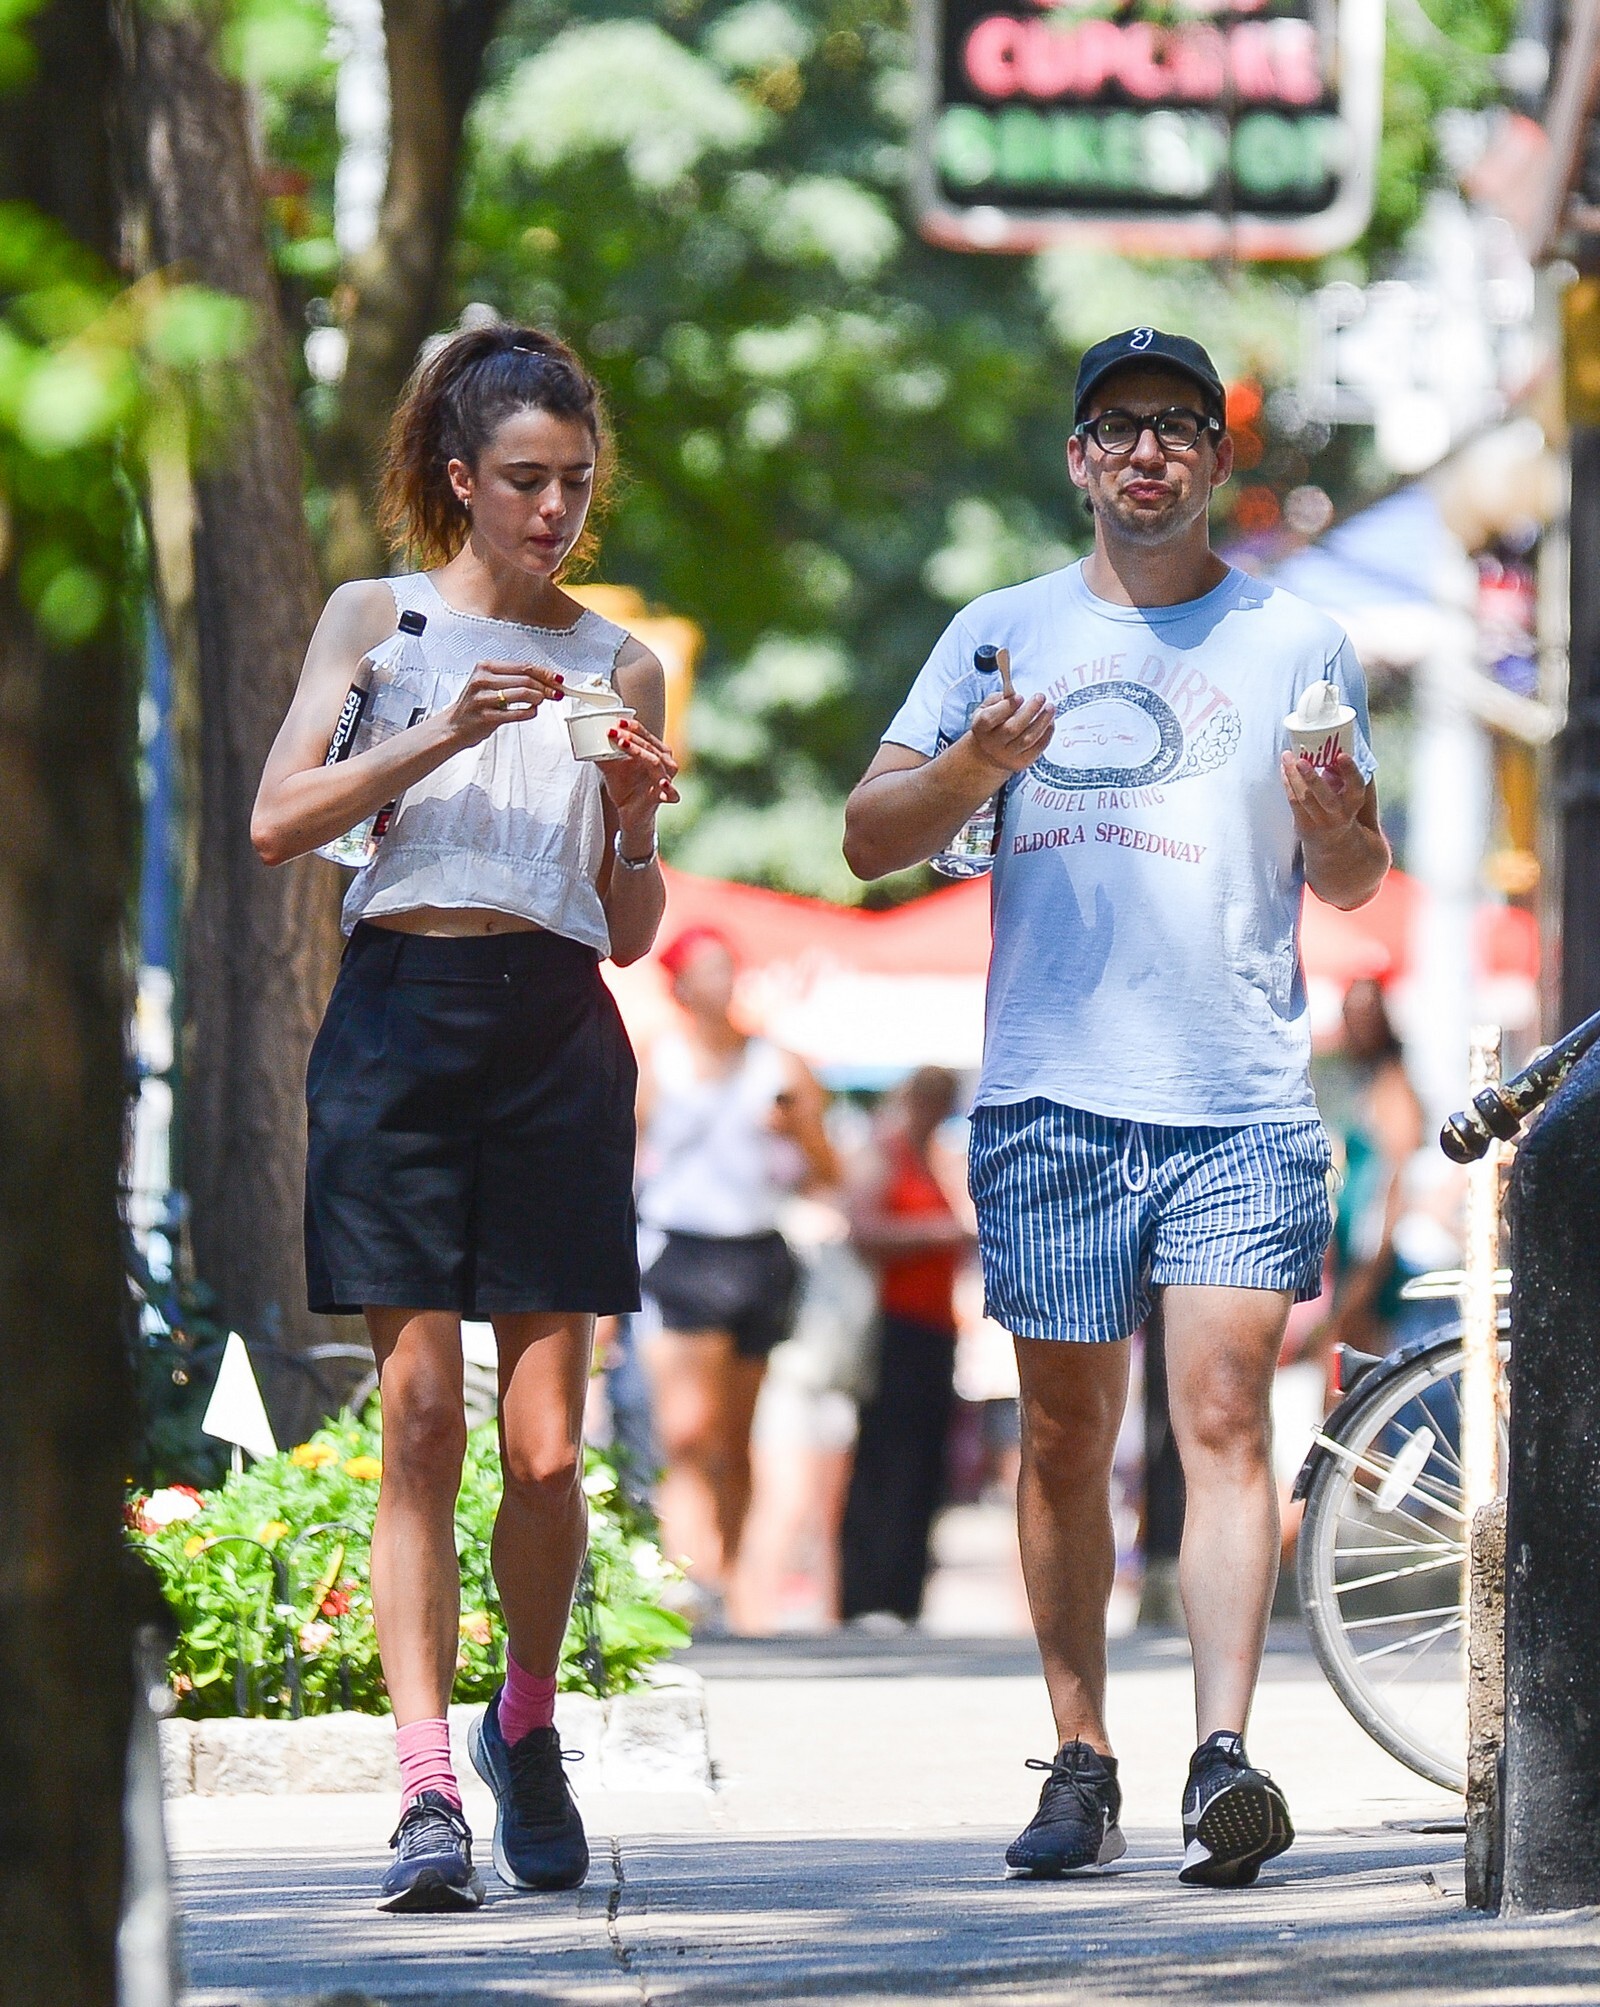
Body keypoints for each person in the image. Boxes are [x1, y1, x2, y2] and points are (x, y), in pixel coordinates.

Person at [843, 327, 1388, 1888]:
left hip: (1238, 1092)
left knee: (1222, 1417)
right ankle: (1081, 1756)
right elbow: (870, 835)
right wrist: (974, 763)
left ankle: (1224, 1753)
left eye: (1179, 426)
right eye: (1118, 427)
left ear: (1217, 458)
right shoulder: (998, 633)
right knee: (1068, 1430)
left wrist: (1338, 826)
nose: (1148, 451)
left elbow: (1356, 878)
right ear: (1079, 460)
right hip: (1053, 1093)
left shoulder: (1300, 639)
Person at [251, 323, 679, 1913]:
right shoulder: (380, 621)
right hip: (400, 1021)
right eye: (523, 479)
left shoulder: (619, 659)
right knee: (422, 1417)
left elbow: (627, 930)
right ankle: (426, 1783)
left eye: (573, 481)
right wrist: (441, 729)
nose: (552, 508)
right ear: (459, 477)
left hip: (558, 1027)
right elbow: (277, 818)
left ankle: (528, 1722)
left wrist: (632, 821)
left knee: (548, 1445)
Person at [635, 926, 838, 1628]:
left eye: (727, 967)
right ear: (679, 983)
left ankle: (731, 1577)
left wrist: (797, 1130)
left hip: (756, 1253)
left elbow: (827, 1172)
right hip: (681, 1250)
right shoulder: (658, 1058)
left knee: (734, 1437)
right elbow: (619, 1152)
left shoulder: (778, 1063)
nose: (720, 982)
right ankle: (691, 1581)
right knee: (687, 1433)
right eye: (705, 969)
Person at [838, 1065, 974, 1626]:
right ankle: (867, 1592)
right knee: (884, 1459)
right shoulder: (883, 1154)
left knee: (924, 1463)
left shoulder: (937, 1160)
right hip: (890, 1325)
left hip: (935, 1327)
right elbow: (862, 1230)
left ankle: (905, 1592)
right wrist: (938, 1235)